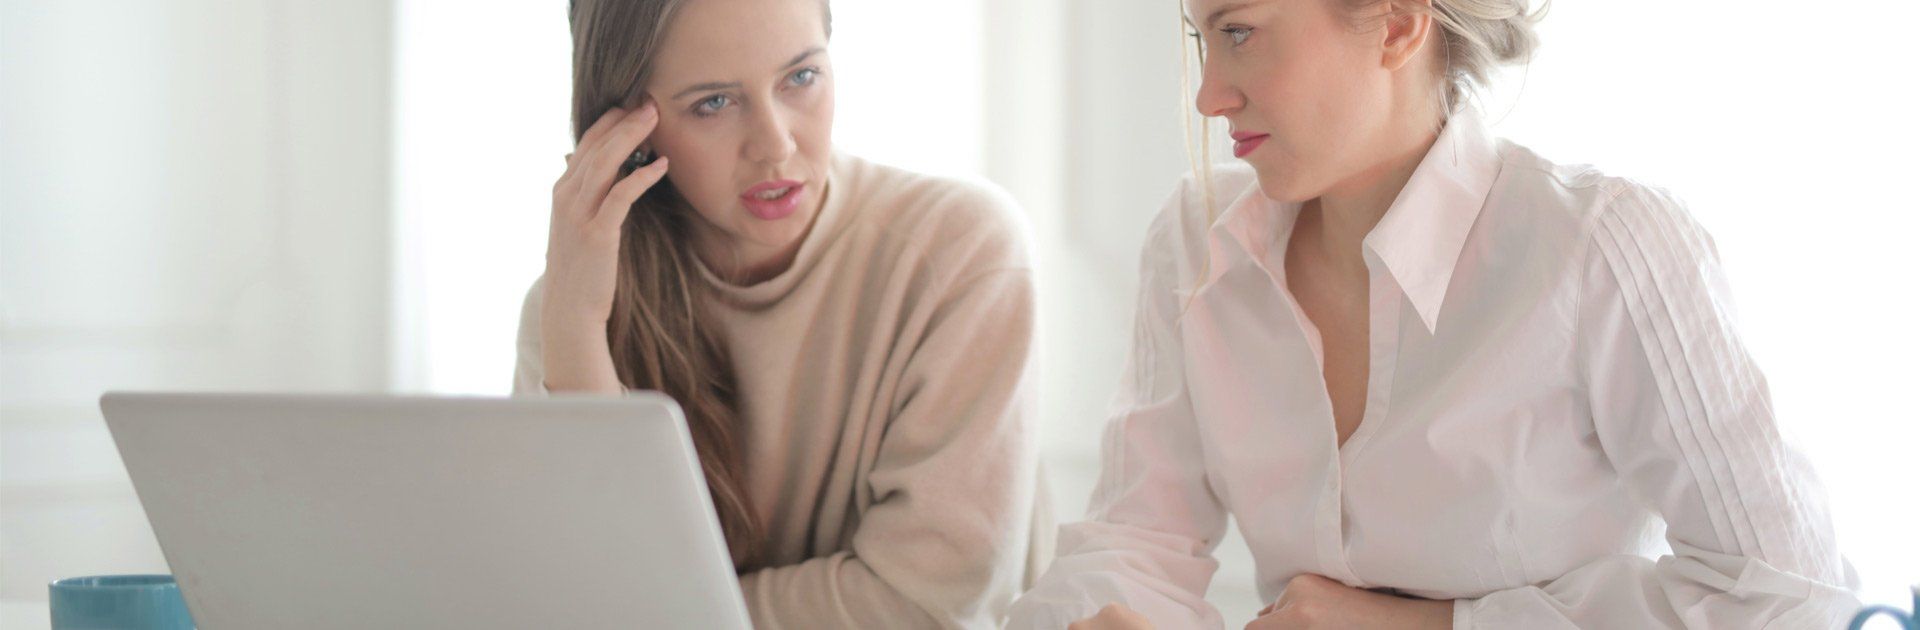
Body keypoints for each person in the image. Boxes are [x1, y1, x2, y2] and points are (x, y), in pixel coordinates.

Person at [1006, 0, 1858, 627]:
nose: (1209, 96)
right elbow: (1134, 541)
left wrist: (1429, 626)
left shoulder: (1602, 249)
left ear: (1399, 23)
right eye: (1202, 41)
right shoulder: (1197, 243)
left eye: (1239, 34)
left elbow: (1795, 601)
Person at [513, 0, 1050, 627]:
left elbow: (927, 608)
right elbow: (575, 601)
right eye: (713, 102)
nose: (775, 145)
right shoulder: (572, 309)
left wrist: (661, 611)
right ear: (625, 129)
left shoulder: (963, 250)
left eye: (801, 77)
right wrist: (576, 334)